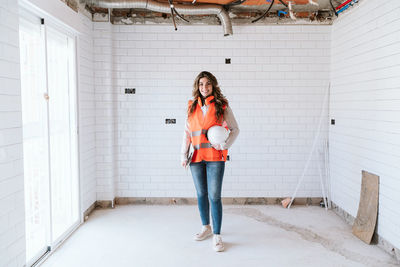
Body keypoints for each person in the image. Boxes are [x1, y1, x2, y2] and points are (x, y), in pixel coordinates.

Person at [181, 71, 239, 252]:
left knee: (214, 196)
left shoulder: (222, 106)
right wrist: (183, 155)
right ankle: (206, 227)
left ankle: (217, 235)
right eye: (200, 84)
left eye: (207, 84)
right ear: (197, 87)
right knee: (201, 195)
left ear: (213, 85)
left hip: (215, 158)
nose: (204, 87)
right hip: (196, 158)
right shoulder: (191, 106)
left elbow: (235, 129)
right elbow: (187, 133)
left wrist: (224, 146)